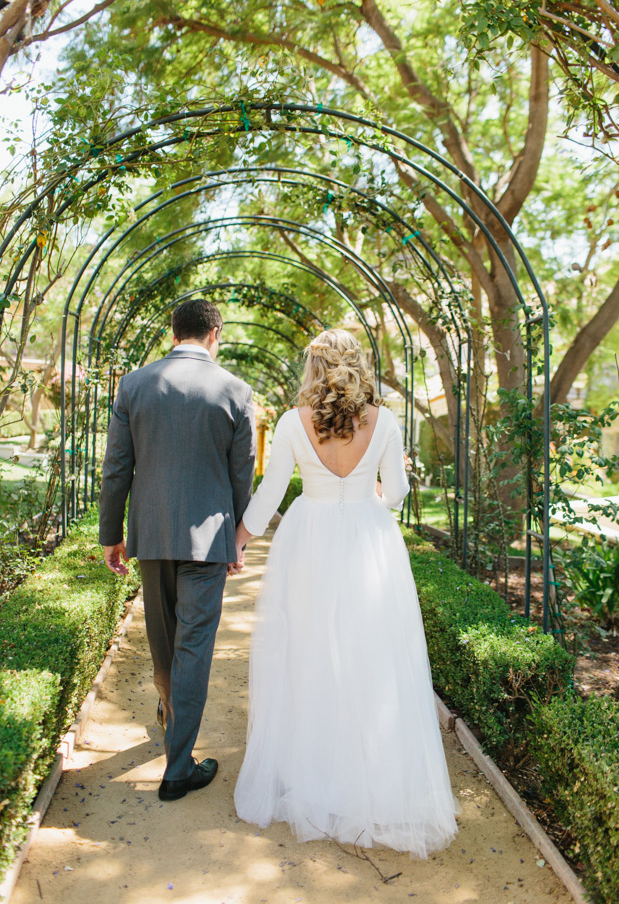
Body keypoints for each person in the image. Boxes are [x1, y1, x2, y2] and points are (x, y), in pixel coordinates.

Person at [233, 329, 458, 856]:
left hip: (307, 541)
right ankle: (369, 778)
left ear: (314, 369)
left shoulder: (292, 422)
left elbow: (269, 493)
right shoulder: (387, 420)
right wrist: (368, 495)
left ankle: (313, 771)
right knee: (371, 657)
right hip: (368, 539)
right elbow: (398, 494)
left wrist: (239, 540)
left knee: (307, 652)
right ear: (356, 365)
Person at [99, 299, 255, 802]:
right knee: (193, 647)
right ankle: (178, 766)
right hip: (209, 539)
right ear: (215, 334)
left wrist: (111, 533)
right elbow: (241, 476)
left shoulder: (134, 384)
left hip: (152, 532)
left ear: (175, 332)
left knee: (163, 638)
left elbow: (117, 466)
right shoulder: (235, 390)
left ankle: (171, 717)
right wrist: (238, 539)